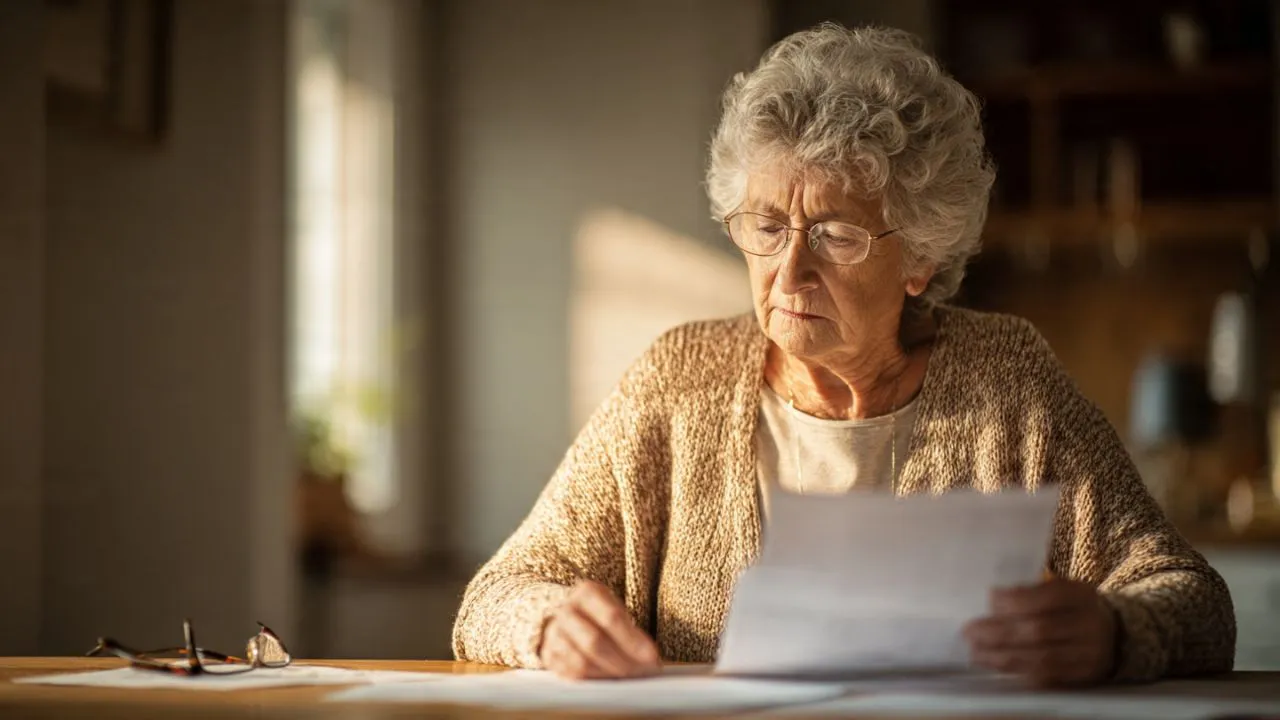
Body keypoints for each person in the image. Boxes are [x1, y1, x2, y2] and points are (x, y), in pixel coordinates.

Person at [451, 23, 1235, 687]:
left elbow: (1193, 599)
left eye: (834, 234)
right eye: (765, 226)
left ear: (921, 256)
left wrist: (1114, 629)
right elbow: (495, 594)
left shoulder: (1009, 381)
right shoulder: (676, 382)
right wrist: (550, 623)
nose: (788, 272)